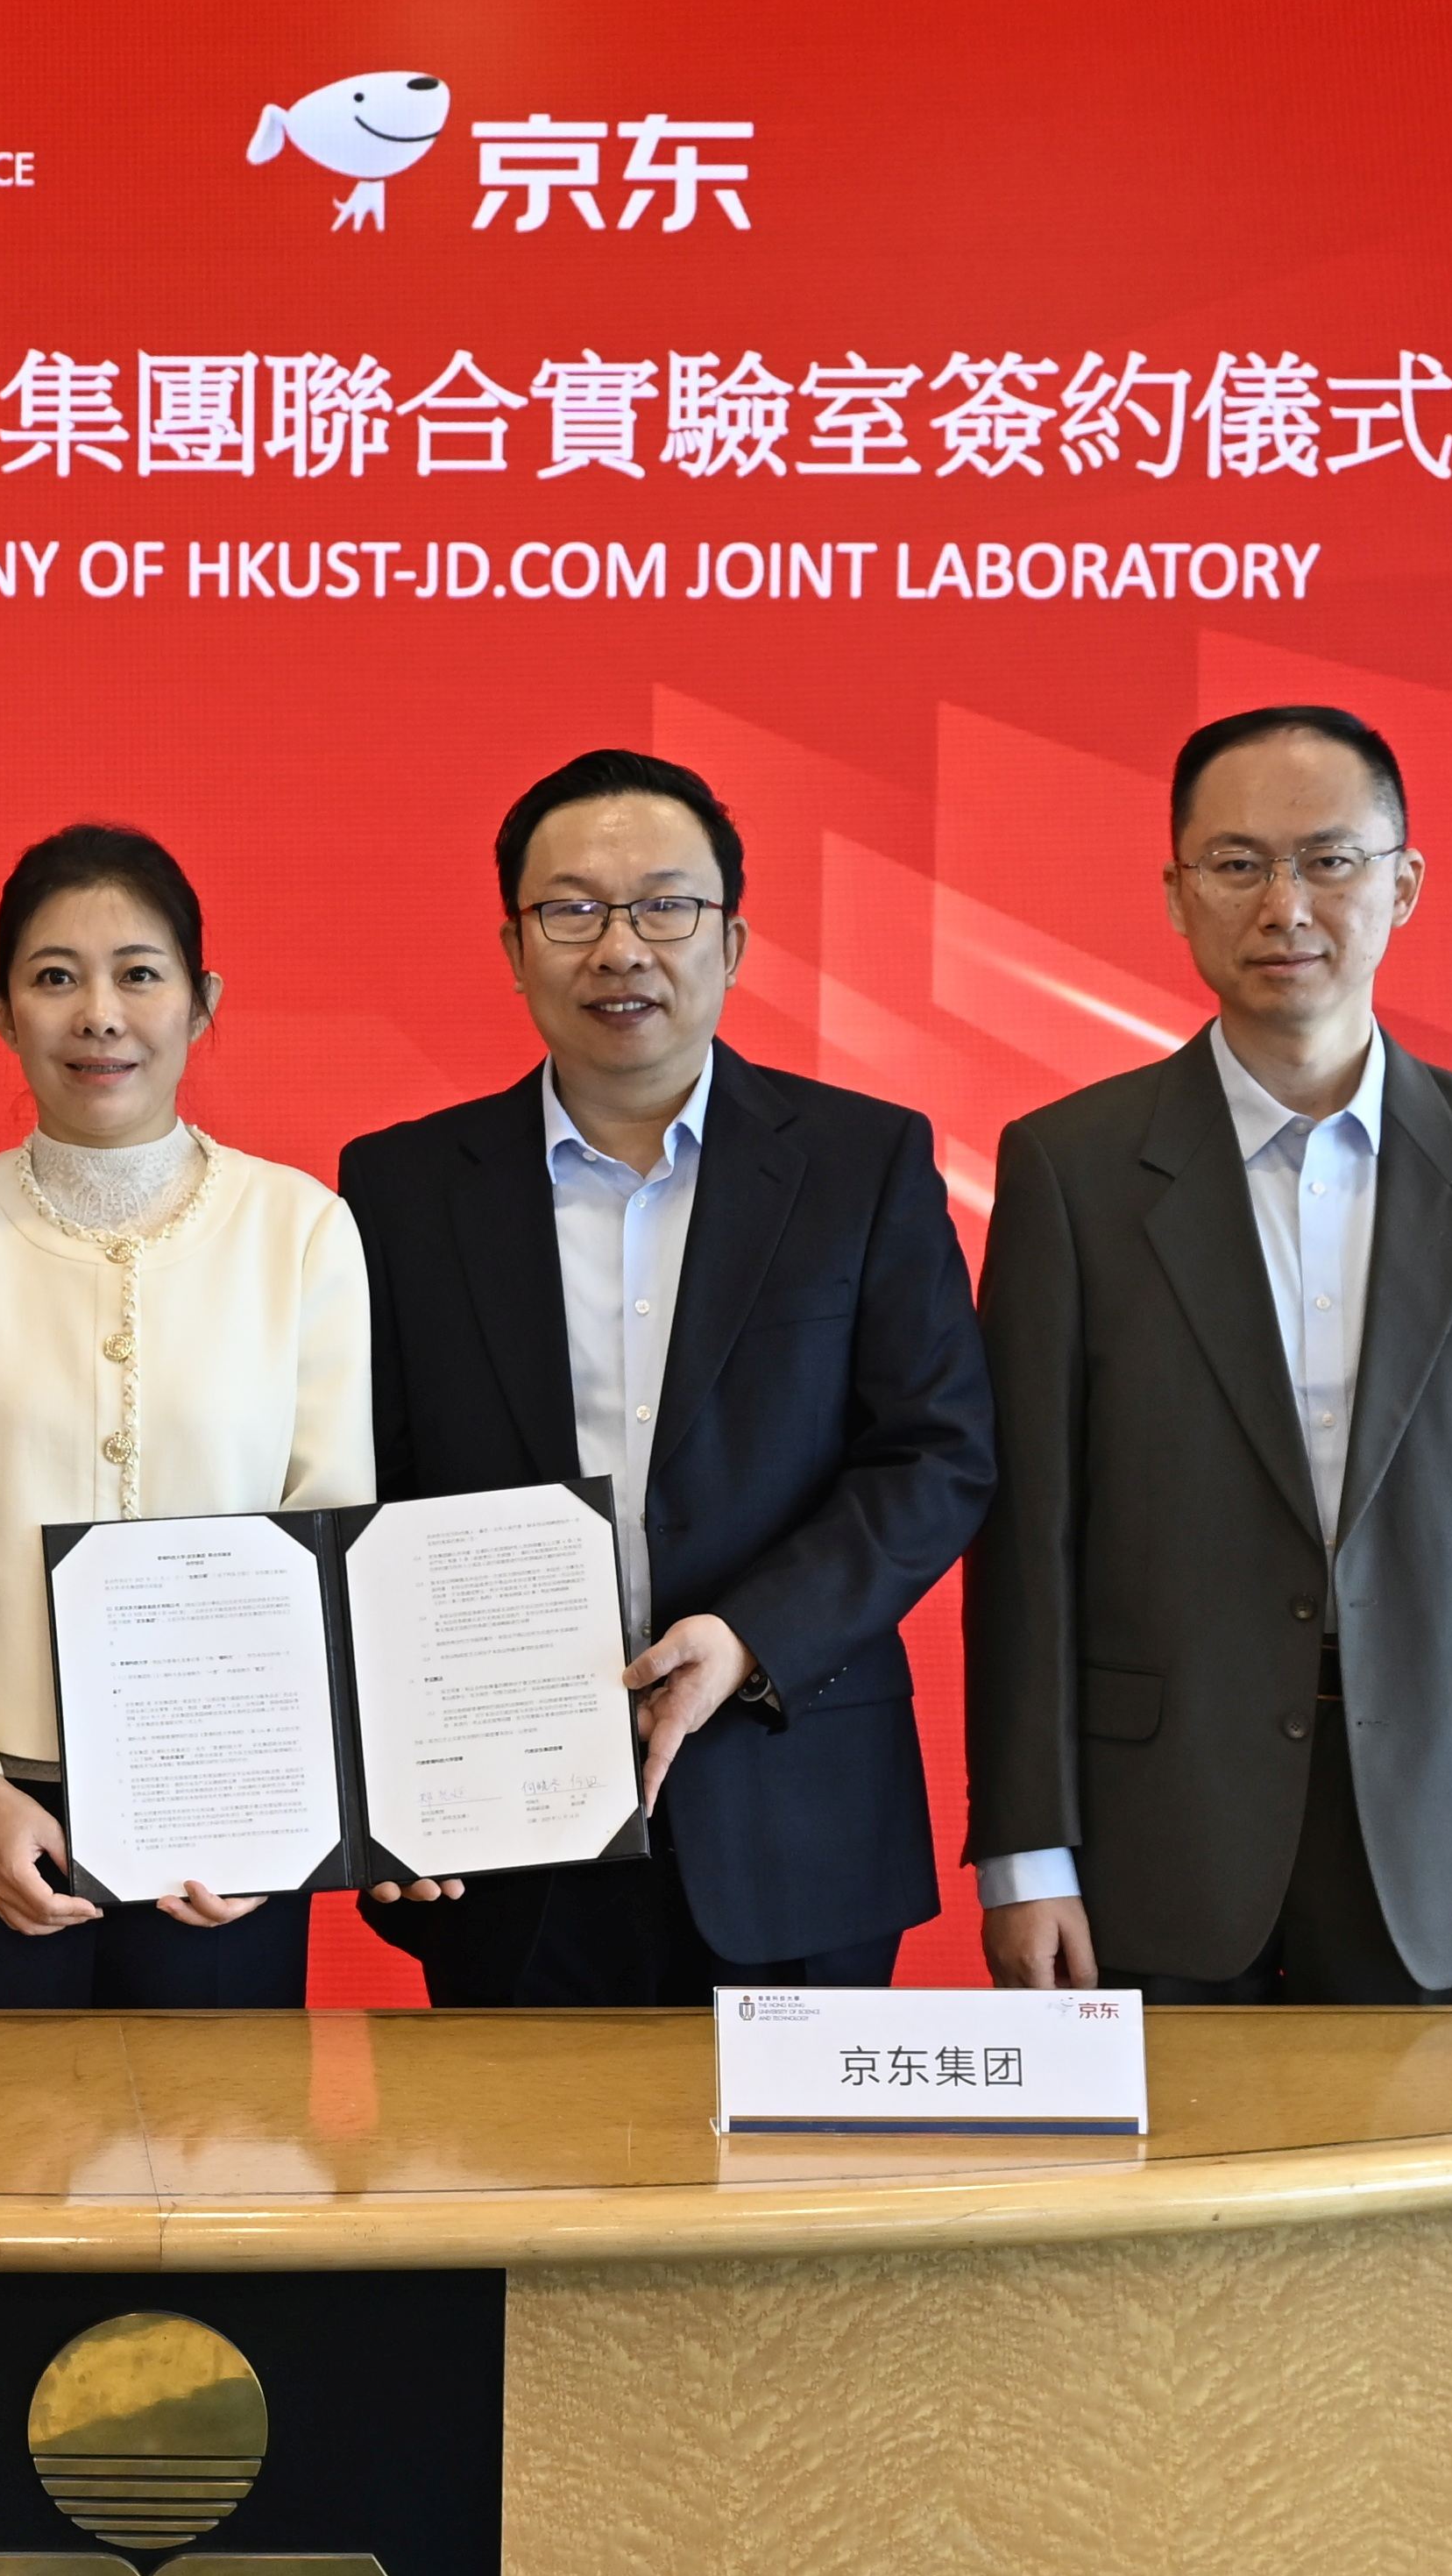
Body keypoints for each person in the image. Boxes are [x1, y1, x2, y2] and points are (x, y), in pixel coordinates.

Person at [967, 704, 1452, 2008]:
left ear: (1403, 883)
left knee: (1417, 2210)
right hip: (1153, 1831)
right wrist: (1024, 1849)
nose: (1285, 905)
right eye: (1235, 862)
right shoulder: (1069, 1169)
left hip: (1450, 1834)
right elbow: (1023, 1535)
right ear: (1173, 891)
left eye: (1329, 859)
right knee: (1159, 2212)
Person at [341, 750, 993, 2004]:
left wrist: (752, 1634)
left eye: (664, 906)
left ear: (733, 940)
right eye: (572, 909)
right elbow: (373, 1486)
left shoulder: (861, 1163)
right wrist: (390, 1779)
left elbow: (937, 1451)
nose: (620, 948)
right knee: (523, 2198)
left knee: (798, 2202)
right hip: (503, 1834)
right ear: (512, 942)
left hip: (791, 1807)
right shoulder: (403, 1187)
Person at [0, 824, 372, 2005]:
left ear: (202, 1001)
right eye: (53, 977)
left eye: (139, 972)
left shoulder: (298, 1227)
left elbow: (331, 1528)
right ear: (0, 1011)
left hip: (224, 1830)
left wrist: (274, 1803)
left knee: (222, 2163)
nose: (99, 1013)